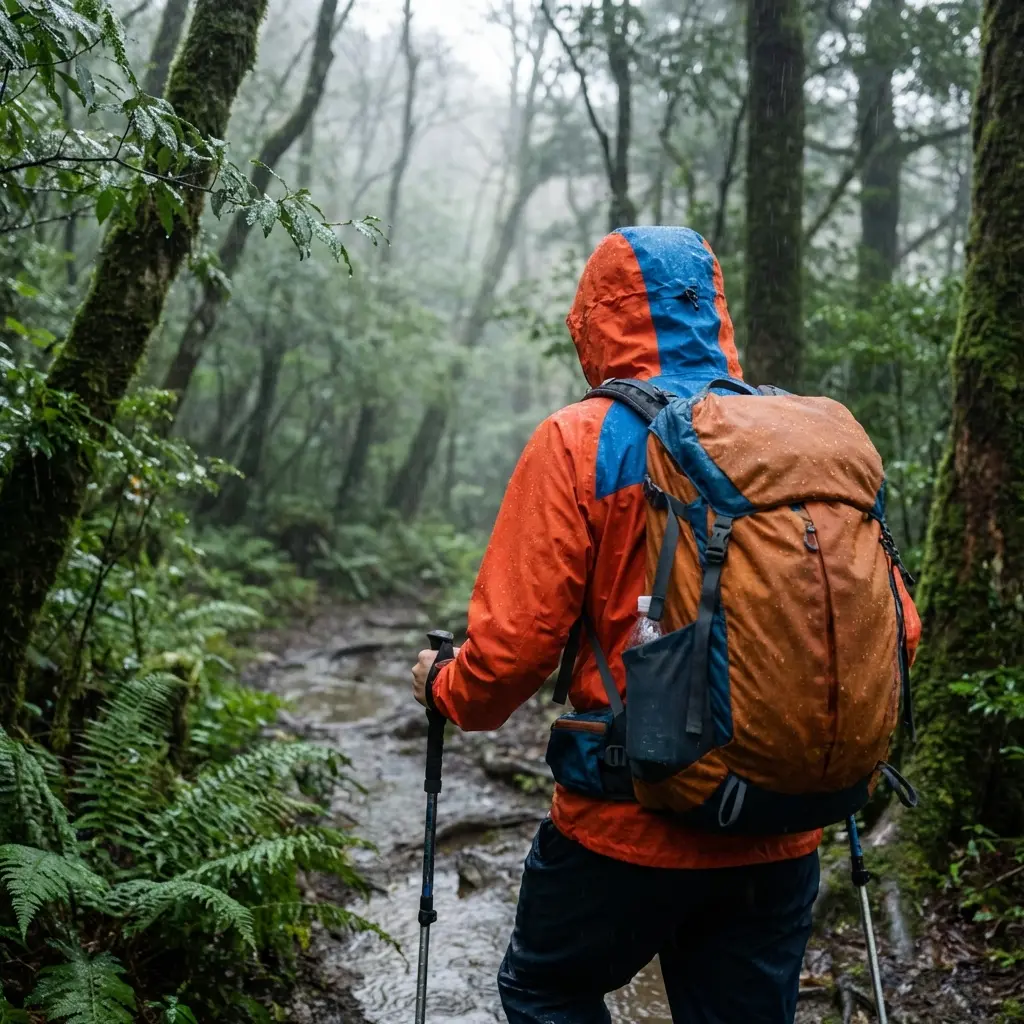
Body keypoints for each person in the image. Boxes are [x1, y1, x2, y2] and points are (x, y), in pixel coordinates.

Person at [411, 226, 919, 1024]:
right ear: (715, 311)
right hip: (780, 827)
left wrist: (444, 687)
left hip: (625, 826)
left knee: (548, 990)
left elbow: (510, 655)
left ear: (592, 319)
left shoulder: (579, 440)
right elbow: (900, 632)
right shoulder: (803, 445)